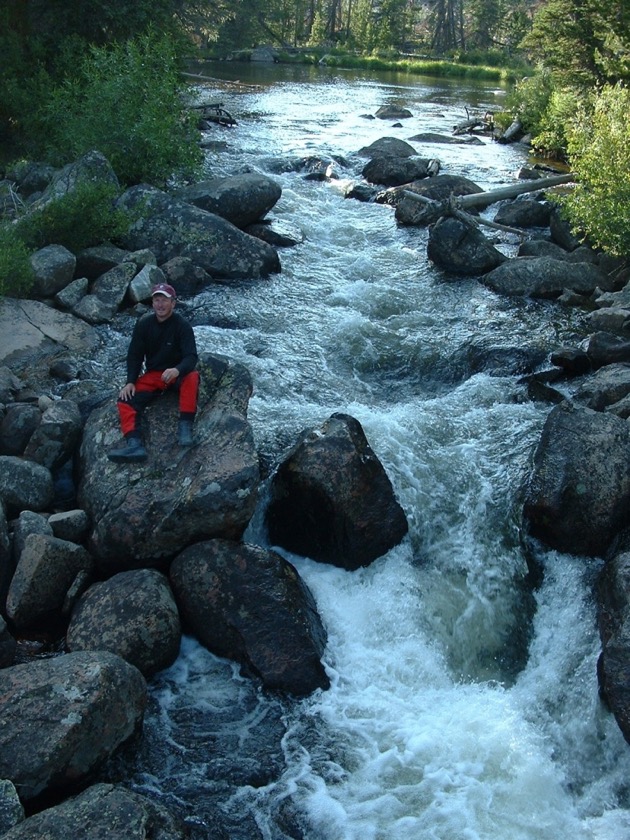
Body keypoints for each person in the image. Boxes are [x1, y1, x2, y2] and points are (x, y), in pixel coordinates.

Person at [107, 283, 200, 463]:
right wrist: (130, 381)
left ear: (173, 303)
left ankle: (185, 429)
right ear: (152, 303)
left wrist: (177, 370)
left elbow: (191, 357)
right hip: (155, 376)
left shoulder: (183, 326)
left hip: (178, 374)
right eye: (157, 300)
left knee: (193, 377)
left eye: (164, 300)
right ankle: (134, 445)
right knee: (125, 400)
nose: (160, 304)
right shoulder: (144, 325)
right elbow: (134, 355)